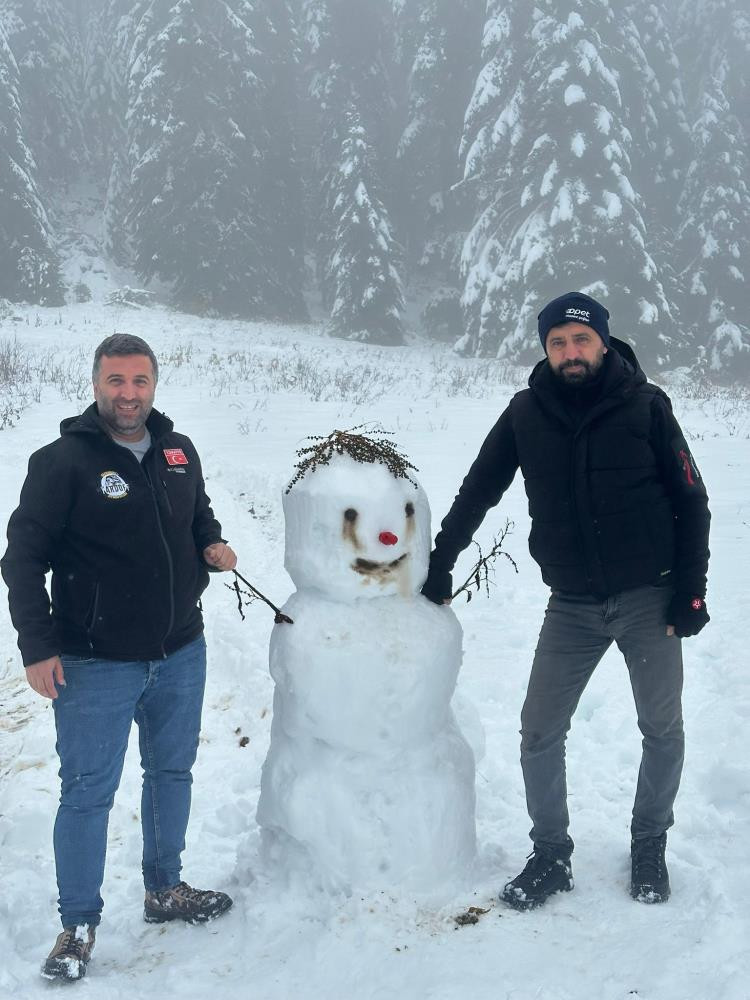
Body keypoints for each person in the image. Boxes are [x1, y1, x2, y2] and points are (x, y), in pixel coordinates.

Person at [422, 291, 710, 910]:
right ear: (545, 350)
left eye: (581, 340)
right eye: (557, 342)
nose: (570, 352)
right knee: (538, 732)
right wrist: (441, 561)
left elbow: (692, 500)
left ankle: (649, 843)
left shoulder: (646, 405)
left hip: (649, 599)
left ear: (603, 343)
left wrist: (690, 591)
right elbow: (480, 490)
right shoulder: (527, 412)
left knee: (662, 729)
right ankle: (551, 854)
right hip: (572, 606)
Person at [1, 334, 238, 981]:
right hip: (94, 662)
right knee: (86, 794)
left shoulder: (177, 452)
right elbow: (22, 558)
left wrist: (213, 545)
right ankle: (77, 926)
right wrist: (37, 646)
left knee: (171, 775)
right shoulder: (63, 462)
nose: (127, 393)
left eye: (139, 381)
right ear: (96, 383)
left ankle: (165, 890)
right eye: (115, 381)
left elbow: (199, 521)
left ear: (154, 385)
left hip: (181, 651)